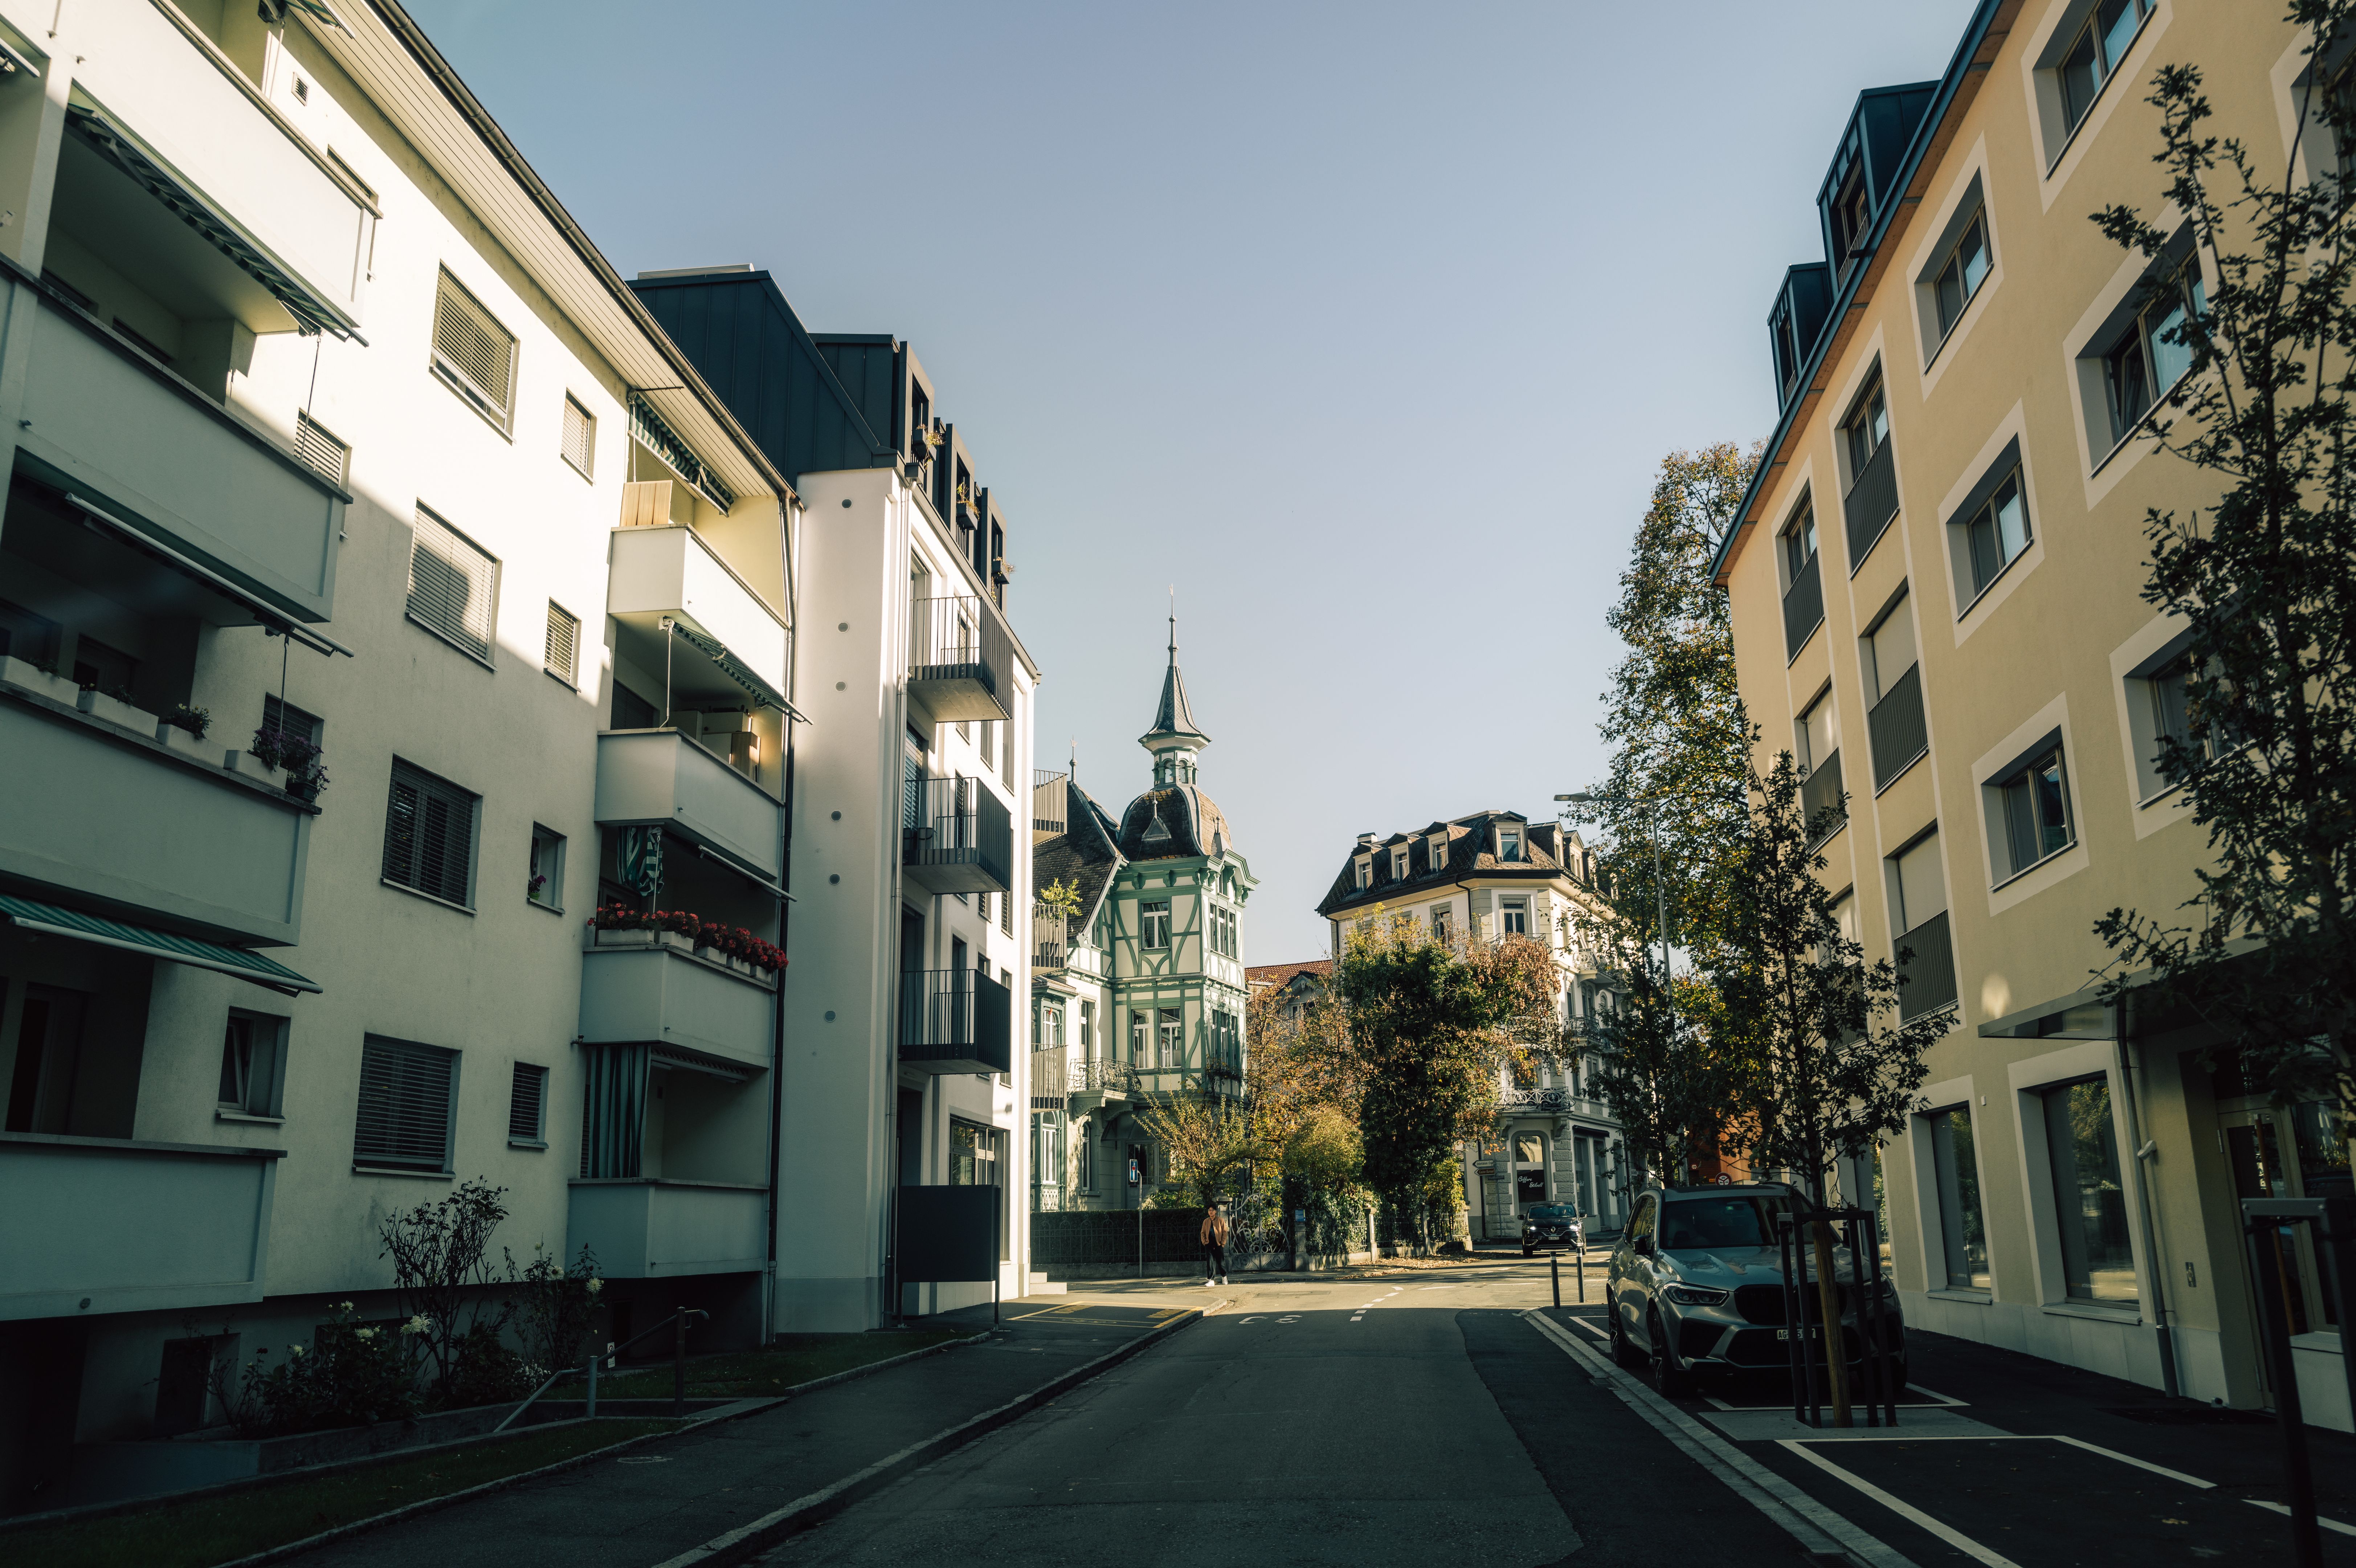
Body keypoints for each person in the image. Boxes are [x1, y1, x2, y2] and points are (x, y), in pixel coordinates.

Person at [1200, 1200, 1230, 1286]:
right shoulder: (1206, 1221)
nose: (1211, 1212)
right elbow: (1203, 1233)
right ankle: (1211, 1280)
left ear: (1216, 1211)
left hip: (1218, 1244)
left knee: (1221, 1262)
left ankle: (1224, 1277)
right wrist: (1205, 1242)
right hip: (1209, 1244)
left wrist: (1223, 1243)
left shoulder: (1220, 1220)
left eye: (1213, 1210)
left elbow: (1225, 1232)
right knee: (1210, 1262)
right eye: (1210, 1210)